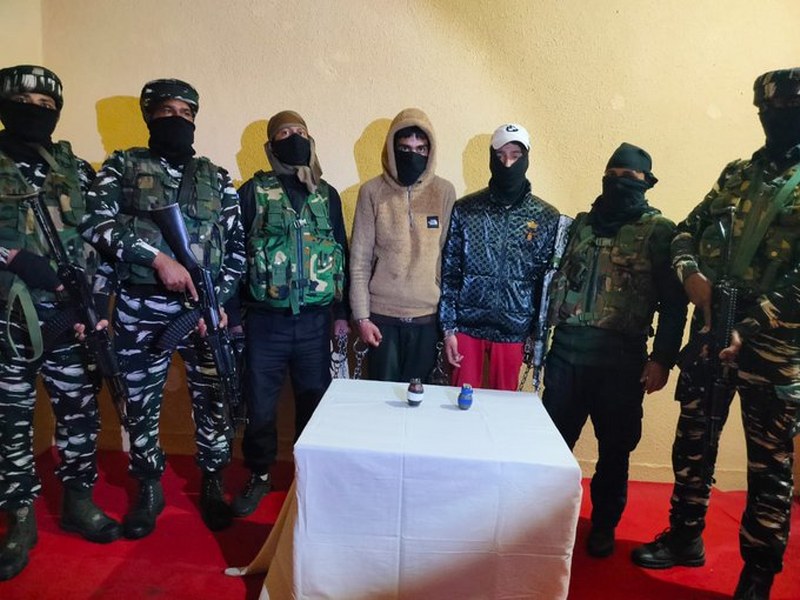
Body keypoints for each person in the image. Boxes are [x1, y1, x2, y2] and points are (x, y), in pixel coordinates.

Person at [631, 68, 800, 600]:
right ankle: (684, 536)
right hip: (713, 326)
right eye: (767, 109)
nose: (775, 117)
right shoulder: (737, 175)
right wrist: (690, 275)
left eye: (787, 109)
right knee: (694, 440)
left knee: (769, 467)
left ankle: (758, 575)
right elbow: (686, 229)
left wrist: (751, 327)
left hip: (773, 347)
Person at [79, 78, 245, 538]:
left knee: (213, 397)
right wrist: (157, 259)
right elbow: (95, 222)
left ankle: (212, 482)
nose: (178, 119)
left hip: (203, 309)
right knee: (139, 401)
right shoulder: (123, 165)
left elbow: (237, 249)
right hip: (140, 304)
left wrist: (218, 300)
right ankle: (149, 487)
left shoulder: (217, 177)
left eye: (186, 113)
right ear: (149, 115)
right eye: (167, 111)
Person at [0, 65, 121, 581]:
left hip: (71, 318)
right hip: (8, 320)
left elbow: (99, 237)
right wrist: (13, 258)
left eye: (47, 106)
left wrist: (95, 307)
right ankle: (20, 517)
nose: (36, 112)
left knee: (80, 413)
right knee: (10, 421)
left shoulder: (74, 169)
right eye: (24, 102)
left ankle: (78, 500)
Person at [542, 143, 687, 558]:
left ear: (646, 182)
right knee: (552, 449)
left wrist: (662, 359)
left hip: (621, 362)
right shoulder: (580, 225)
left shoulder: (659, 231)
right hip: (566, 355)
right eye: (613, 174)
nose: (619, 182)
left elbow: (674, 305)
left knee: (614, 451)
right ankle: (543, 522)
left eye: (630, 177)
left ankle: (604, 525)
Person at [230, 110, 349, 517]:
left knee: (314, 404)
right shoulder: (253, 192)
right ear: (270, 145)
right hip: (265, 321)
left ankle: (307, 477)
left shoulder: (326, 195)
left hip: (316, 321)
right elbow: (235, 256)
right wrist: (233, 315)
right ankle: (260, 474)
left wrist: (341, 314)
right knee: (260, 405)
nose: (293, 137)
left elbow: (341, 252)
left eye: (300, 131)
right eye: (284, 133)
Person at [438, 123, 559, 390]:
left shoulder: (545, 216)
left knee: (503, 406)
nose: (508, 163)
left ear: (526, 158)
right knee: (459, 403)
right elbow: (450, 271)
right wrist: (448, 328)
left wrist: (537, 335)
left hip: (514, 330)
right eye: (501, 155)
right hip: (466, 327)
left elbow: (545, 283)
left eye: (515, 155)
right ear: (491, 158)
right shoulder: (466, 209)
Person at [349, 108, 456, 382]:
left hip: (427, 319)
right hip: (381, 319)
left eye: (421, 149)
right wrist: (362, 318)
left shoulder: (444, 192)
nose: (413, 155)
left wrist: (448, 327)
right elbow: (359, 261)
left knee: (420, 399)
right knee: (382, 400)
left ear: (430, 151)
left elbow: (448, 261)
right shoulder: (371, 192)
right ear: (391, 149)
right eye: (405, 148)